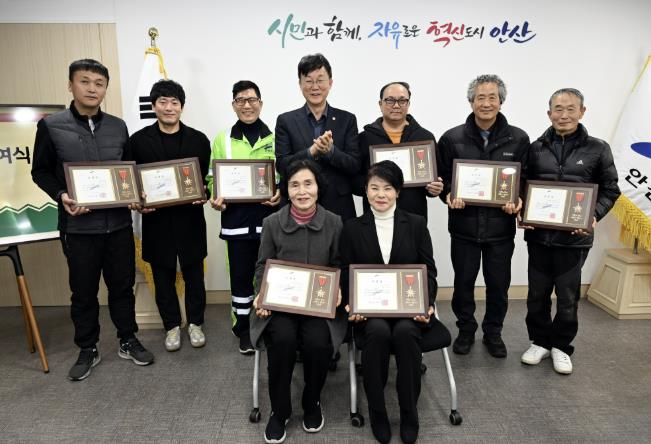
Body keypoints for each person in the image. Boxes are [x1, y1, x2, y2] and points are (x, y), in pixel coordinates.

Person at [31, 59, 154, 381]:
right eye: (84, 81)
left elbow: (127, 171)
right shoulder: (51, 126)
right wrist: (61, 194)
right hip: (78, 227)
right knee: (83, 292)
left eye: (99, 84)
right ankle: (88, 347)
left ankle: (127, 339)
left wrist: (136, 195)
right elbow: (40, 172)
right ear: (70, 85)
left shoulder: (118, 126)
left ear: (105, 89)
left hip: (118, 225)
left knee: (122, 287)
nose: (92, 89)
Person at [520, 88, 620, 374]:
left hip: (575, 239)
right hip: (539, 237)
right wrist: (523, 209)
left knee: (567, 298)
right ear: (549, 113)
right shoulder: (536, 148)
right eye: (558, 109)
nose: (564, 115)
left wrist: (593, 215)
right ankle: (540, 341)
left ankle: (562, 346)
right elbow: (523, 185)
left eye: (570, 109)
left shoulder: (598, 148)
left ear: (582, 112)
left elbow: (611, 189)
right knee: (536, 295)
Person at [340, 160, 439, 444]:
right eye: (374, 188)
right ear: (365, 191)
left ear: (398, 191)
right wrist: (351, 303)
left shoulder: (416, 224)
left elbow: (429, 271)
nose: (380, 194)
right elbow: (345, 271)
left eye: (387, 188)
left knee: (406, 333)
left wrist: (427, 302)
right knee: (378, 332)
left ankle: (409, 412)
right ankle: (378, 411)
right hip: (370, 311)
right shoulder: (352, 228)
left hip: (409, 308)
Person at [250, 159, 346, 443]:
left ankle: (311, 401)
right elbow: (262, 265)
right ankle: (279, 411)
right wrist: (261, 293)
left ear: (318, 187)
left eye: (308, 184)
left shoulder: (334, 222)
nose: (302, 191)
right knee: (282, 340)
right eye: (294, 185)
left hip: (318, 303)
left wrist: (339, 287)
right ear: (287, 190)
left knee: (318, 343)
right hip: (281, 304)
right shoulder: (272, 223)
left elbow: (338, 264)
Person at [438, 74, 529, 358]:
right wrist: (448, 194)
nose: (486, 103)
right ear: (471, 101)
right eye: (480, 97)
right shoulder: (452, 138)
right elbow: (443, 178)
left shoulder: (519, 138)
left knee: (498, 285)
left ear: (501, 102)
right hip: (463, 227)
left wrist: (519, 199)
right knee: (463, 284)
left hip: (500, 229)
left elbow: (524, 180)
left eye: (492, 97)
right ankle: (465, 330)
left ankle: (493, 333)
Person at [125, 79, 211, 352]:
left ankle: (195, 323)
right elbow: (131, 182)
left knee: (194, 275)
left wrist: (205, 193)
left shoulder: (199, 140)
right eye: (163, 102)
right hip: (156, 221)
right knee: (162, 277)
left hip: (190, 219)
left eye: (174, 102)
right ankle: (172, 326)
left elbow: (205, 181)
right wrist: (138, 200)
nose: (169, 107)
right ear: (154, 106)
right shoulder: (137, 141)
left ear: (181, 107)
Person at [207, 80, 281, 354]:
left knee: (270, 277)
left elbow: (284, 176)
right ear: (233, 105)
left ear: (261, 103)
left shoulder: (275, 138)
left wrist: (280, 193)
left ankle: (270, 326)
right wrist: (215, 196)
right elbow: (212, 178)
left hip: (270, 223)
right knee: (240, 277)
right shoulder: (222, 139)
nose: (247, 105)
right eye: (240, 100)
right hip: (236, 224)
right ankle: (243, 329)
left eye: (252, 100)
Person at [275, 53, 361, 222]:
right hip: (298, 206)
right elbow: (282, 165)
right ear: (300, 84)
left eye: (320, 80)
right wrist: (311, 152)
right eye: (308, 81)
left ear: (330, 83)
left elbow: (354, 165)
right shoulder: (286, 120)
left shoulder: (347, 120)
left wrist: (331, 152)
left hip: (338, 205)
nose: (315, 87)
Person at [356, 82, 443, 219]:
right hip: (375, 217)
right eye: (390, 100)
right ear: (380, 104)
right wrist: (375, 186)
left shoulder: (425, 138)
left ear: (408, 104)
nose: (396, 105)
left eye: (402, 101)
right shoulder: (364, 138)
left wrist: (434, 189)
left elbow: (435, 179)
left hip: (414, 217)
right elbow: (354, 180)